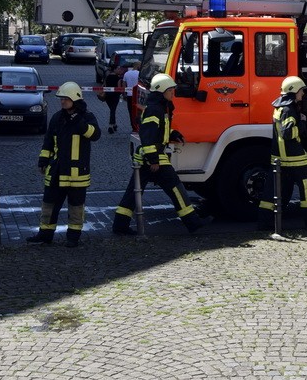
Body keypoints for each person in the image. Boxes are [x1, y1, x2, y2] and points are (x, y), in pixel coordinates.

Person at [112, 73, 212, 235]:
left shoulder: (158, 108)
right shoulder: (155, 110)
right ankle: (193, 223)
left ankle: (119, 225)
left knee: (134, 192)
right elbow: (148, 136)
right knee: (176, 188)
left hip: (148, 157)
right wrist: (153, 160)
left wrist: (172, 133)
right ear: (162, 91)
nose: (174, 93)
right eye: (171, 90)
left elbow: (157, 130)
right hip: (153, 157)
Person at [26, 82, 101, 247]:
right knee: (49, 203)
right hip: (57, 170)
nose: (62, 102)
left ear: (75, 99)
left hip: (76, 172)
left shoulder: (87, 116)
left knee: (76, 206)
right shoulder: (57, 118)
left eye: (66, 99)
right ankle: (45, 234)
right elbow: (48, 142)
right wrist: (43, 160)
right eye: (61, 99)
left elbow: (95, 135)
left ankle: (73, 237)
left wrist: (79, 122)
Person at [257, 76, 307, 231]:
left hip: (279, 156)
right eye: (301, 91)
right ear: (293, 91)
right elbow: (287, 133)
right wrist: (302, 123)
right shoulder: (289, 110)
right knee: (306, 183)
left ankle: (264, 221)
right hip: (292, 157)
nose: (302, 94)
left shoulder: (280, 107)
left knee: (273, 189)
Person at [102, 64, 125, 134]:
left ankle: (114, 124)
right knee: (113, 110)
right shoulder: (118, 78)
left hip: (108, 96)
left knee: (112, 109)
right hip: (115, 96)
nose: (120, 70)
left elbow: (104, 85)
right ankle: (111, 126)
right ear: (114, 69)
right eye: (118, 69)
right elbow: (118, 88)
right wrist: (122, 93)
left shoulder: (107, 77)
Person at [123, 61, 141, 132]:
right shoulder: (139, 73)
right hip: (138, 96)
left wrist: (124, 93)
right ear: (138, 66)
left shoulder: (127, 73)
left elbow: (124, 84)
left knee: (131, 112)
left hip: (129, 95)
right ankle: (138, 125)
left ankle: (133, 126)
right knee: (138, 112)